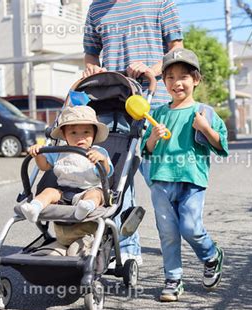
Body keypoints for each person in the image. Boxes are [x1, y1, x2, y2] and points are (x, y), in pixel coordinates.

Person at [82, 0, 184, 265]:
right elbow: (91, 53)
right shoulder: (96, 8)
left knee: (163, 186)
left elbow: (176, 49)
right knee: (118, 184)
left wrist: (152, 70)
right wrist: (93, 67)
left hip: (153, 106)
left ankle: (181, 244)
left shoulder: (161, 2)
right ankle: (126, 250)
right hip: (114, 107)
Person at [141, 48, 229, 302]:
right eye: (170, 77)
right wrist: (153, 139)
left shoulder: (204, 112)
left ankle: (211, 255)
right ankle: (173, 279)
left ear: (196, 79)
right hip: (160, 181)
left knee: (190, 227)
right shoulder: (156, 113)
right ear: (164, 82)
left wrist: (205, 128)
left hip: (192, 180)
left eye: (183, 77)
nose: (176, 83)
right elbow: (145, 151)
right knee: (167, 232)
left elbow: (221, 146)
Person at [19, 105, 114, 225]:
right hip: (62, 193)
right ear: (64, 135)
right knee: (49, 191)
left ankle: (86, 207)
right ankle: (34, 207)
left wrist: (102, 161)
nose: (80, 137)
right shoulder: (59, 151)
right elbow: (44, 166)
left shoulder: (98, 152)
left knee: (96, 194)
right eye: (73, 132)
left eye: (86, 132)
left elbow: (106, 173)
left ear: (94, 134)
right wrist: (38, 154)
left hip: (88, 190)